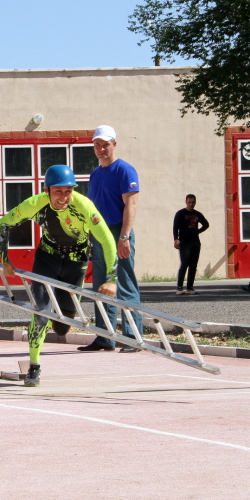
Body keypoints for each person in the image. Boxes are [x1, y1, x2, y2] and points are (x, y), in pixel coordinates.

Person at [0, 165, 118, 386]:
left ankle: (58, 315)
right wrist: (5, 259)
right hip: (47, 259)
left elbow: (108, 241)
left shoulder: (84, 206)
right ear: (47, 190)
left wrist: (111, 279)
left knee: (62, 328)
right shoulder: (35, 204)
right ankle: (34, 367)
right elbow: (3, 224)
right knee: (41, 312)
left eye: (68, 191)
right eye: (58, 191)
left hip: (76, 264)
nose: (63, 197)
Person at [78, 124, 143, 353]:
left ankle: (132, 338)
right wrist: (87, 235)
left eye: (105, 144)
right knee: (101, 286)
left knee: (124, 283)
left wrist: (124, 236)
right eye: (97, 145)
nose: (101, 149)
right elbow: (92, 209)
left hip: (118, 232)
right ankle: (105, 337)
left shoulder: (125, 170)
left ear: (114, 144)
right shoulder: (96, 173)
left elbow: (131, 205)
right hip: (99, 234)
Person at [173, 194, 210, 295]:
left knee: (193, 265)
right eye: (189, 202)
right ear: (186, 202)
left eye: (193, 202)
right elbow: (175, 227)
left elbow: (206, 224)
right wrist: (176, 239)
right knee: (184, 264)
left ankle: (190, 287)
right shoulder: (180, 213)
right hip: (184, 242)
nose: (191, 204)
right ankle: (179, 287)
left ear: (195, 202)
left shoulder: (197, 214)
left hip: (195, 242)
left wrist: (198, 231)